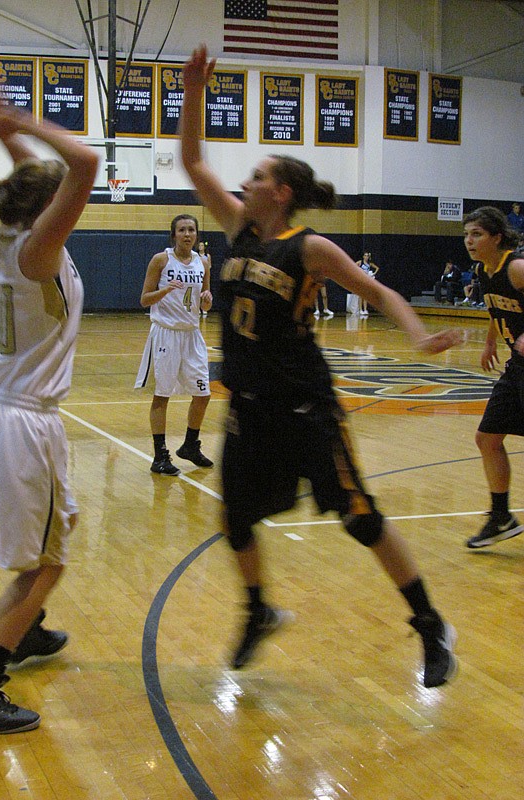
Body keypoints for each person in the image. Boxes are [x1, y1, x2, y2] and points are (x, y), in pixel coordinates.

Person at [180, 45, 462, 688]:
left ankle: (429, 624)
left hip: (306, 409)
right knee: (235, 518)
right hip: (250, 409)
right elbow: (193, 160)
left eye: (255, 175)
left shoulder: (308, 248)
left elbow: (378, 292)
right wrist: (193, 90)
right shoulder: (238, 231)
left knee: (360, 517)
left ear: (278, 192)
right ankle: (258, 611)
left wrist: (416, 335)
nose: (243, 183)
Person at [0, 93, 99, 733]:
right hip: (21, 420)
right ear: (49, 209)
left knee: (57, 529)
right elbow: (84, 162)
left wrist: (7, 135)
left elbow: (42, 175)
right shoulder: (39, 251)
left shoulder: (17, 240)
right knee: (48, 563)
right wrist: (12, 120)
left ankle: (24, 630)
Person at [463, 206, 524, 548]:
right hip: (516, 366)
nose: (469, 241)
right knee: (487, 439)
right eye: (467, 235)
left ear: (497, 237)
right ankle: (501, 517)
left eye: (477, 234)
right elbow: (495, 307)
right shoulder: (485, 271)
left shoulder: (516, 267)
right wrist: (490, 342)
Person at [135, 214, 213, 476]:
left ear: (196, 235)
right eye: (182, 230)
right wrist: (166, 290)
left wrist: (207, 299)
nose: (187, 234)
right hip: (166, 334)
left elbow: (204, 303)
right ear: (174, 234)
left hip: (192, 334)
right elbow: (145, 299)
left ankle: (190, 444)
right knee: (162, 395)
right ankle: (160, 456)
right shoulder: (161, 260)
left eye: (191, 230)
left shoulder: (203, 263)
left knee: (203, 394)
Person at [197, 240, 211, 316]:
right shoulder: (196, 256)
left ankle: (204, 309)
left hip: (205, 275)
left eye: (202, 245)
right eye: (199, 246)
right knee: (198, 293)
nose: (200, 247)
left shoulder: (207, 256)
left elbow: (210, 266)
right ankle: (198, 308)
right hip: (198, 275)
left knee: (205, 292)